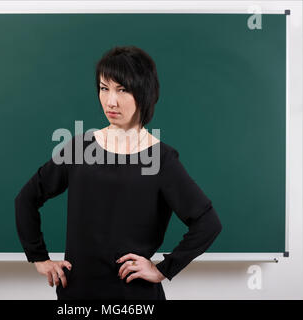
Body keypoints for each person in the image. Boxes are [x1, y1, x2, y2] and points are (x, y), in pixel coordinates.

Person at [14, 46, 222, 300]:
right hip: (78, 296)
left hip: (135, 298)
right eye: (104, 88)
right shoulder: (79, 148)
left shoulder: (161, 159)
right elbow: (26, 200)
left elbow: (208, 223)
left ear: (143, 93)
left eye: (122, 89)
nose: (110, 101)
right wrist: (39, 259)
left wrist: (163, 269)